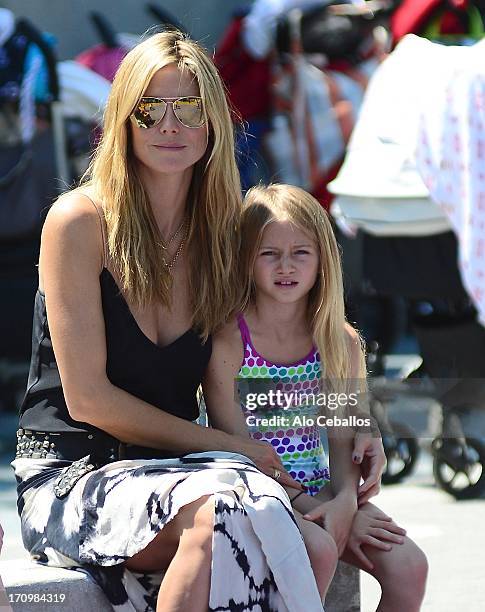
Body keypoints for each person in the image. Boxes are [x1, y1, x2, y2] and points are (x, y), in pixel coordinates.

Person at [11, 32, 328, 612]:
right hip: (71, 475)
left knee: (312, 541)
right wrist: (231, 451)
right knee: (225, 517)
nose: (170, 125)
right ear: (123, 123)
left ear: (212, 123)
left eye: (188, 108)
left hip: (183, 472)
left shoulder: (228, 235)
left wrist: (356, 434)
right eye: (149, 110)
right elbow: (88, 400)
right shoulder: (79, 221)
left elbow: (293, 345)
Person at [203, 183, 429, 610]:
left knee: (410, 566)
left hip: (321, 492)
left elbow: (345, 432)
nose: (285, 266)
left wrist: (344, 500)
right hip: (256, 495)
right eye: (269, 253)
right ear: (245, 258)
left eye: (301, 252)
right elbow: (237, 445)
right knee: (318, 548)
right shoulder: (230, 340)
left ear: (323, 257)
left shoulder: (337, 340)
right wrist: (316, 509)